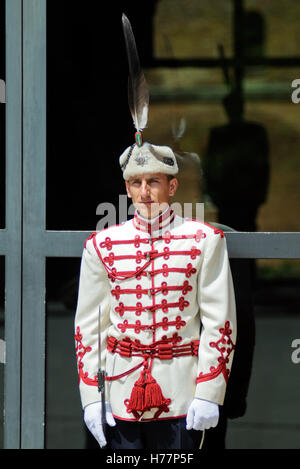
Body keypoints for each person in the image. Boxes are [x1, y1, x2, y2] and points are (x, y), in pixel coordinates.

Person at [74, 14, 236, 450]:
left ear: (172, 186)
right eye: (135, 184)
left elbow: (220, 324)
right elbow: (88, 328)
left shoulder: (204, 241)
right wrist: (91, 397)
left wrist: (209, 390)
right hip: (122, 395)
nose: (144, 192)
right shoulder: (102, 246)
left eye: (154, 183)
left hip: (185, 395)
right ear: (126, 188)